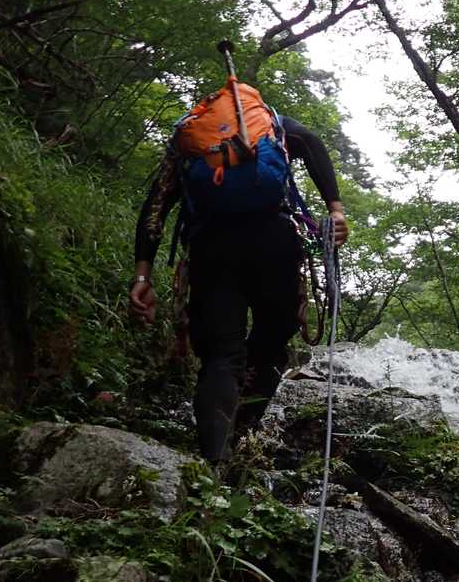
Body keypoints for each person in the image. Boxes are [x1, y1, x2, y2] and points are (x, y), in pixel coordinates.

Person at [129, 116, 348, 464]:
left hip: (212, 246)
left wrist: (142, 277)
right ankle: (243, 437)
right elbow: (311, 142)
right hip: (275, 242)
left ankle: (214, 461)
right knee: (271, 343)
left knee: (221, 353)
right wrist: (335, 210)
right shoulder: (270, 123)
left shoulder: (190, 137)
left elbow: (155, 209)